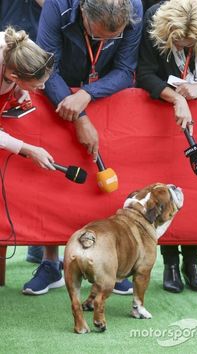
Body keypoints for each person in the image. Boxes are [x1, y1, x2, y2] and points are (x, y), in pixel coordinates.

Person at [22, 0, 143, 296]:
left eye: (111, 38)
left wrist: (86, 96)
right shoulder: (58, 5)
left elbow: (126, 69)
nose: (104, 42)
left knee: (102, 185)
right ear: (84, 16)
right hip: (55, 95)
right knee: (50, 178)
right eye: (97, 35)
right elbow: (46, 66)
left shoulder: (135, 8)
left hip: (104, 98)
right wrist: (80, 116)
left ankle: (108, 262)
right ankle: (51, 264)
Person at [137, 0, 197, 292]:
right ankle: (169, 264)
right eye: (177, 42)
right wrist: (177, 98)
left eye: (189, 43)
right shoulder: (154, 18)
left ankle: (192, 263)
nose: (182, 46)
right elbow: (144, 73)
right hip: (163, 115)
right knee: (166, 185)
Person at [0, 26, 55, 169]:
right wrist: (29, 149)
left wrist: (19, 88)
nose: (42, 88)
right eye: (37, 85)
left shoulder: (26, 48)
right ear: (15, 77)